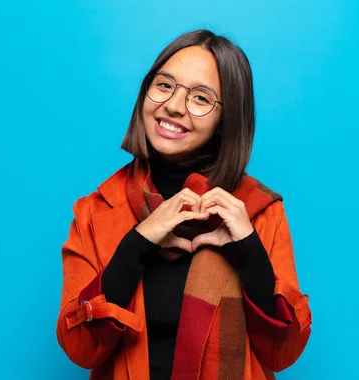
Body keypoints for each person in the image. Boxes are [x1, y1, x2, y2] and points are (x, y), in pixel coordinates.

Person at [56, 29, 312, 380]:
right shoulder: (97, 211)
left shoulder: (258, 211)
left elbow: (281, 352)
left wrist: (250, 250)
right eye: (164, 85)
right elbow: (79, 348)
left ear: (227, 119)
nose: (174, 106)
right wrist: (137, 244)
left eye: (201, 98)